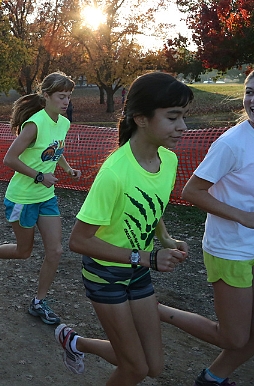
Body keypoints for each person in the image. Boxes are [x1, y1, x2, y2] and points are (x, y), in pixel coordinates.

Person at [56, 72, 192, 385]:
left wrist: (166, 238)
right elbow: (78, 240)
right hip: (106, 277)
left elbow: (150, 206)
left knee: (153, 366)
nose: (183, 127)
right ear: (141, 119)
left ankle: (75, 342)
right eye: (173, 117)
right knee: (135, 368)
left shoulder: (168, 160)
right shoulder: (114, 173)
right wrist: (147, 258)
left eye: (183, 117)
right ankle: (79, 343)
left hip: (139, 271)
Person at [159, 60, 254, 386]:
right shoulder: (231, 143)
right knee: (233, 337)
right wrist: (243, 216)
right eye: (249, 92)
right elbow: (193, 191)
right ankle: (153, 309)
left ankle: (213, 378)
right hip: (227, 247)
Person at [0, 72, 81, 325]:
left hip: (46, 197)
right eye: (60, 96)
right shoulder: (34, 124)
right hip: (21, 197)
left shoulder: (63, 123)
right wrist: (39, 176)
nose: (66, 102)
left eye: (68, 97)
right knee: (24, 252)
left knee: (55, 251)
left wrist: (66, 169)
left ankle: (38, 302)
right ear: (46, 96)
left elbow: (55, 150)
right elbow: (9, 159)